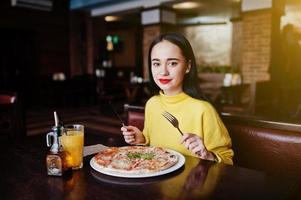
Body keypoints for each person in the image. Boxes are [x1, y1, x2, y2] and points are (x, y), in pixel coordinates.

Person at [121, 33, 233, 165]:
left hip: (191, 183)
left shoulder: (203, 109)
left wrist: (208, 155)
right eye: (156, 64)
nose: (163, 72)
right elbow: (153, 145)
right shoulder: (152, 104)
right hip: (156, 182)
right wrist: (141, 139)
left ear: (188, 66)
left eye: (172, 63)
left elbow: (227, 160)